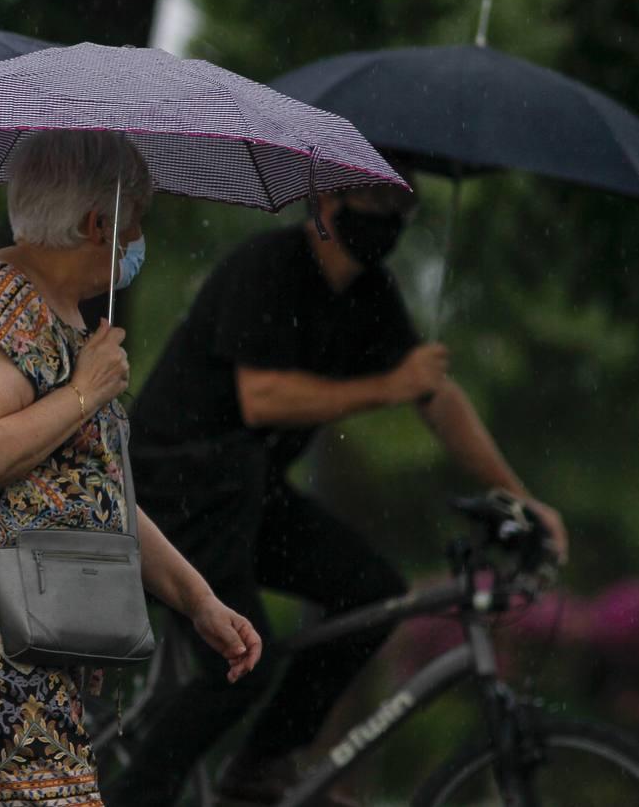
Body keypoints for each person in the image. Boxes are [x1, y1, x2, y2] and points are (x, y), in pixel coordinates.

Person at [105, 167, 569, 807]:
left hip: (249, 491)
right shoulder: (265, 266)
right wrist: (390, 386)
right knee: (241, 659)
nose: (393, 218)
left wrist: (518, 497)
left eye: (403, 204)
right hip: (177, 485)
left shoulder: (372, 293)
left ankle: (260, 766)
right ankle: (134, 798)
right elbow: (261, 397)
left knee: (369, 592)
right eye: (378, 199)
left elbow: (435, 398)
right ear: (324, 202)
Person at [0, 129, 263, 805]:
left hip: (24, 618)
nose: (138, 239)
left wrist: (198, 602)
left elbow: (94, 492)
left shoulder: (66, 317)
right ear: (96, 223)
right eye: (136, 220)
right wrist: (85, 392)